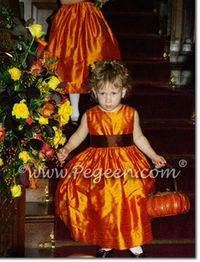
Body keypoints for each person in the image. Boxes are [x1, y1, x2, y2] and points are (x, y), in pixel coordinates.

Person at [55, 60, 167, 257]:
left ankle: (133, 240)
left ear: (123, 92)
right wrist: (67, 148)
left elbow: (139, 137)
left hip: (127, 163)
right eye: (103, 93)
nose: (108, 99)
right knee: (104, 202)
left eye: (113, 93)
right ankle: (107, 241)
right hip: (97, 165)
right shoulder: (90, 115)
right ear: (94, 93)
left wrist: (153, 155)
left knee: (131, 198)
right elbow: (79, 136)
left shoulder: (131, 114)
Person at [47, 0, 121, 124]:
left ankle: (103, 106)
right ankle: (74, 110)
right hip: (69, 20)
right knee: (71, 62)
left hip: (91, 21)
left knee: (96, 57)